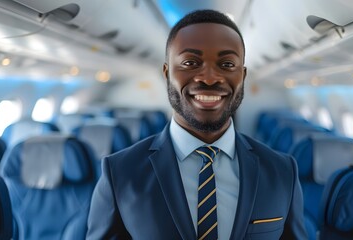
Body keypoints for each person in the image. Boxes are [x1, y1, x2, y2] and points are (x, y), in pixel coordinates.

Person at [86, 9, 307, 240]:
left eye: (227, 64)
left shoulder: (282, 172)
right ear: (167, 73)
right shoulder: (121, 173)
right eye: (190, 62)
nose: (210, 78)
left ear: (242, 75)